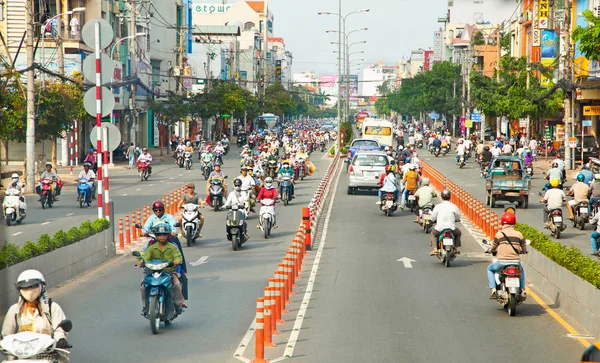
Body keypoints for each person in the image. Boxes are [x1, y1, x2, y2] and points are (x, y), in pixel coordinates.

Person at [1, 270, 70, 351]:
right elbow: (6, 335)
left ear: (42, 287)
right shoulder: (14, 310)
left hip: (47, 353)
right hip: (21, 354)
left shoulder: (52, 308)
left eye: (33, 286)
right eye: (25, 288)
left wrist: (61, 339)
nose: (29, 291)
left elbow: (59, 330)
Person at [135, 223, 186, 316]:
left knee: (177, 285)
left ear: (167, 235)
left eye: (164, 234)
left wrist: (176, 261)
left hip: (169, 272)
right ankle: (145, 306)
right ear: (156, 236)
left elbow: (178, 257)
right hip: (152, 272)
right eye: (159, 234)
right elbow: (146, 257)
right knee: (143, 287)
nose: (161, 237)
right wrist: (141, 262)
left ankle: (179, 304)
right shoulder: (151, 248)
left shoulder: (173, 247)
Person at [486, 212, 527, 299]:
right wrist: (523, 251)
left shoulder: (499, 234)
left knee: (490, 269)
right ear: (514, 222)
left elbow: (493, 247)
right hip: (515, 262)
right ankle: (523, 289)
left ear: (502, 222)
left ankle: (493, 289)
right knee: (521, 271)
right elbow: (524, 248)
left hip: (502, 263)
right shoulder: (519, 234)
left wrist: (491, 250)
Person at [429, 189, 462, 256]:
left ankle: (435, 249)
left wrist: (432, 221)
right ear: (450, 197)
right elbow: (458, 216)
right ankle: (455, 248)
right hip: (451, 228)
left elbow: (433, 217)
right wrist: (456, 219)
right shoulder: (454, 206)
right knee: (458, 233)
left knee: (433, 234)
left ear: (441, 196)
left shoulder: (438, 206)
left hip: (440, 228)